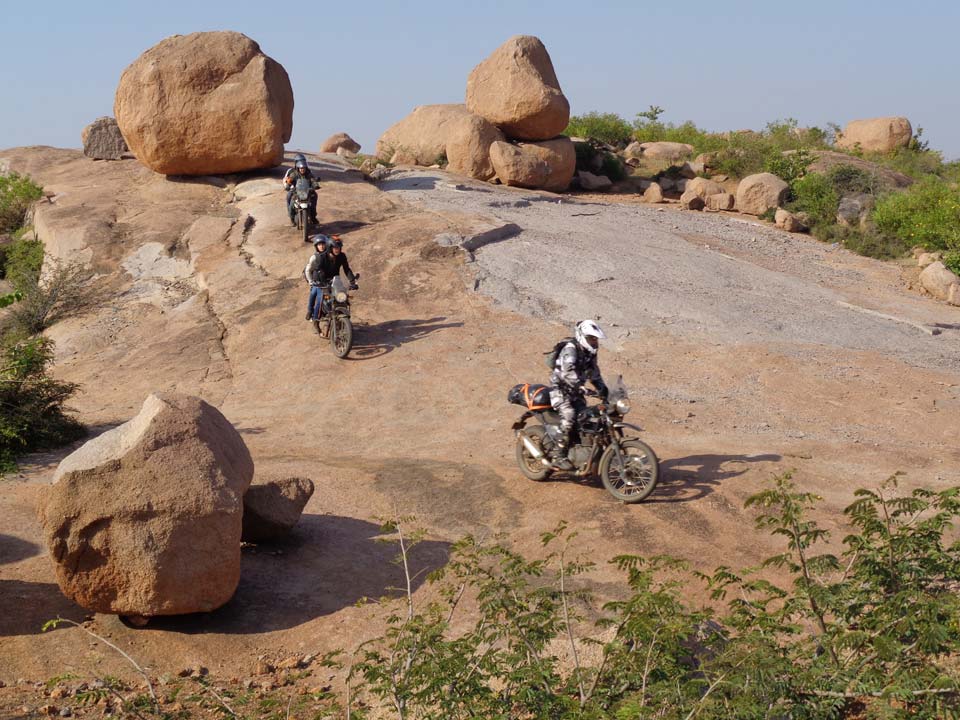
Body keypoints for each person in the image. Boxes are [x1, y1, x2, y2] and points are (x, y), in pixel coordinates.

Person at [548, 320, 609, 470]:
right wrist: (581, 387)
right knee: (569, 416)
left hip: (576, 392)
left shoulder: (590, 353)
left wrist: (604, 390)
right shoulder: (571, 349)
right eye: (591, 338)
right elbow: (567, 372)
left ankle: (581, 451)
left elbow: (594, 373)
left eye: (595, 339)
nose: (594, 342)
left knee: (584, 418)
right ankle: (558, 455)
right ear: (582, 336)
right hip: (560, 390)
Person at [303, 235, 357, 326]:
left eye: (339, 248)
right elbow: (319, 270)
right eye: (335, 248)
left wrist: (352, 282)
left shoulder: (342, 256)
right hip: (320, 280)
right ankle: (316, 320)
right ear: (330, 247)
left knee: (342, 297)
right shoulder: (321, 257)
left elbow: (346, 269)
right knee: (320, 299)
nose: (337, 250)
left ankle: (342, 315)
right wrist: (322, 282)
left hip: (334, 279)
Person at [283, 154, 319, 227]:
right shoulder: (293, 173)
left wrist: (315, 185)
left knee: (314, 197)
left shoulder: (309, 173)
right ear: (297, 165)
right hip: (296, 192)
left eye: (303, 167)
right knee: (291, 202)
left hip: (307, 191)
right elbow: (289, 180)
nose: (302, 169)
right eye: (301, 167)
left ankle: (313, 217)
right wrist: (288, 185)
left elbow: (312, 180)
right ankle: (292, 218)